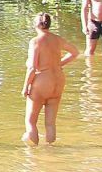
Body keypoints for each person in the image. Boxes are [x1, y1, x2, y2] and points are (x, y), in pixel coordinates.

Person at [21, 13, 79, 144]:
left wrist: (25, 87)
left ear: (35, 25)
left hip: (43, 80)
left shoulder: (35, 41)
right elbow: (75, 52)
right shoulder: (57, 39)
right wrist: (59, 64)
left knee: (30, 121)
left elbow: (32, 67)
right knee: (50, 123)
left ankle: (32, 155)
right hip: (58, 79)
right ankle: (50, 150)